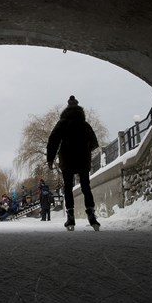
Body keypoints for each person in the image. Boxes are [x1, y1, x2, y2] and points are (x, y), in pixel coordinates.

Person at [46, 95, 101, 231]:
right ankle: (91, 214)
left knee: (68, 188)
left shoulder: (62, 123)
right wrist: (85, 148)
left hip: (67, 158)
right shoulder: (84, 124)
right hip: (83, 158)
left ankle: (70, 217)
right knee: (85, 186)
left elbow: (53, 140)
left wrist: (50, 159)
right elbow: (94, 142)